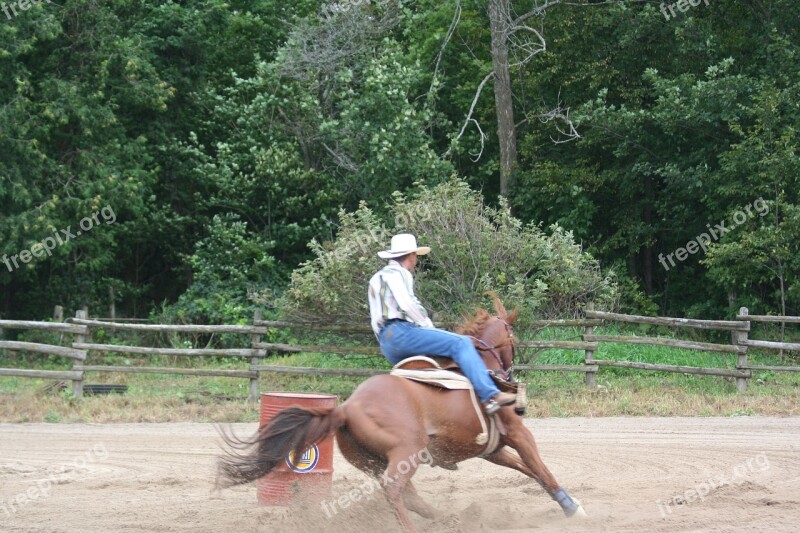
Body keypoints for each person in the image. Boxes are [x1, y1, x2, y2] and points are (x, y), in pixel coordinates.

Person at [368, 233, 516, 414]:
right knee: (460, 343)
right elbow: (408, 305)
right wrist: (427, 326)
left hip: (387, 343)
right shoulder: (401, 274)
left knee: (437, 362)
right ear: (411, 256)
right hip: (402, 333)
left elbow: (375, 319)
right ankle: (490, 396)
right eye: (415, 256)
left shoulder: (376, 278)